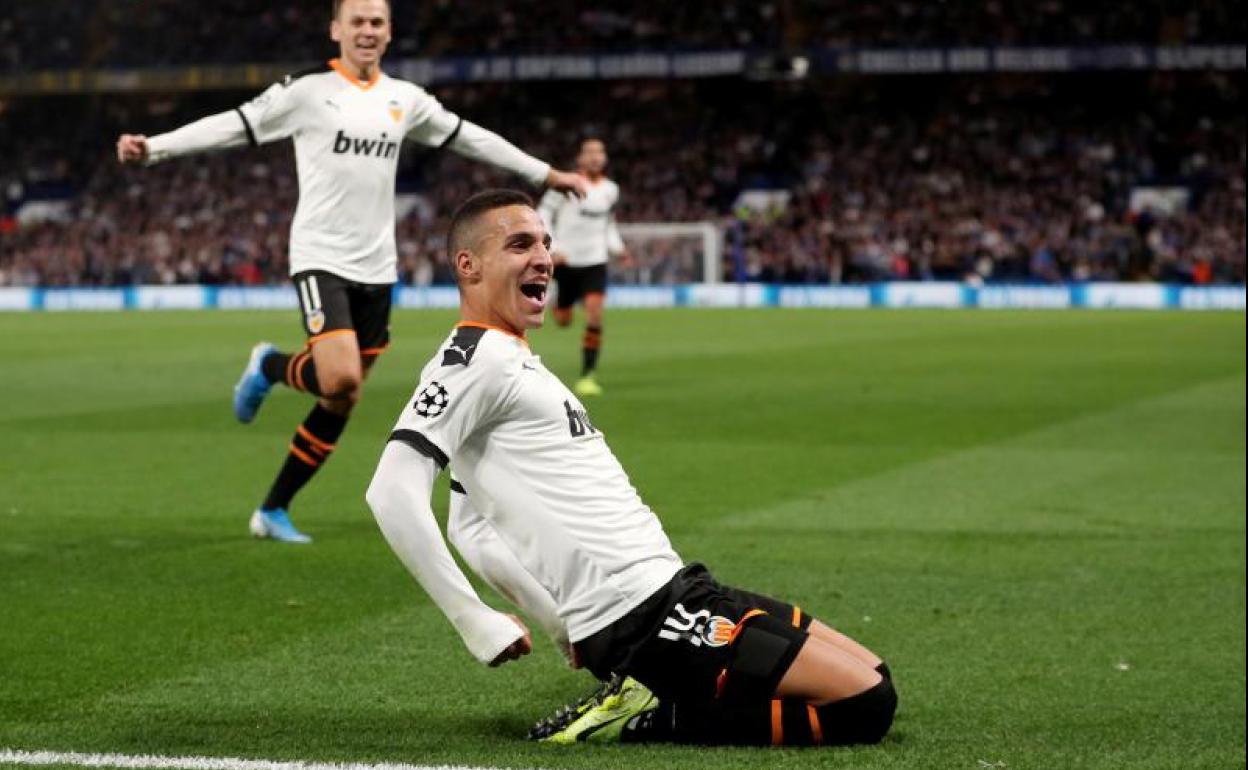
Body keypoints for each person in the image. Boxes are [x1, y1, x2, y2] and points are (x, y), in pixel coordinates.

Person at [365, 189, 897, 747]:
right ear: (467, 266)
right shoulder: (473, 363)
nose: (543, 257)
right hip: (641, 619)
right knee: (865, 705)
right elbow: (391, 491)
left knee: (875, 674)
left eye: (545, 243)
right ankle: (648, 714)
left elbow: (468, 525)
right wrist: (471, 617)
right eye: (520, 244)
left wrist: (555, 621)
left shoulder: (512, 358)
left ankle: (665, 690)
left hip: (673, 590)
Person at [115, 0, 587, 543]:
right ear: (336, 29)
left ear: (388, 34)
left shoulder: (404, 100)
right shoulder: (307, 93)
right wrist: (154, 148)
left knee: (343, 395)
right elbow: (234, 125)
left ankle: (272, 508)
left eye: (377, 22)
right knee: (339, 376)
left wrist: (544, 173)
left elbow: (472, 137)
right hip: (320, 258)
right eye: (357, 21)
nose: (367, 30)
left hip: (378, 267)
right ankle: (269, 367)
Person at [537, 138, 629, 397]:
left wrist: (618, 248)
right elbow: (542, 213)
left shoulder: (611, 189)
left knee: (595, 313)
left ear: (605, 158)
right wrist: (553, 248)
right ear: (580, 159)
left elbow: (608, 224)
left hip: (595, 261)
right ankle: (560, 305)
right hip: (566, 261)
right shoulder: (564, 184)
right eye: (589, 152)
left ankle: (588, 375)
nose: (595, 156)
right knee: (564, 320)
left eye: (600, 152)